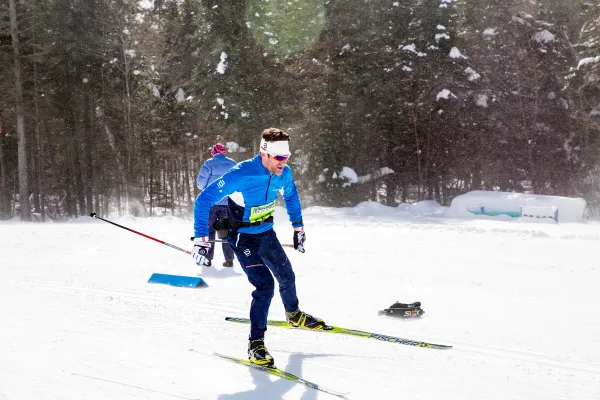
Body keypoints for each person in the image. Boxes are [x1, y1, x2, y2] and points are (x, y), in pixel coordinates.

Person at [191, 128, 326, 367]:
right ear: (264, 152)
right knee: (265, 285)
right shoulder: (242, 173)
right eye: (279, 157)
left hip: (266, 232)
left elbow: (292, 196)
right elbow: (203, 200)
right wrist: (201, 239)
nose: (284, 162)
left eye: (287, 156)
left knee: (287, 274)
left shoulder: (283, 172)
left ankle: (293, 315)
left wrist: (299, 228)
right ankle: (256, 345)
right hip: (242, 237)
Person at [196, 143, 237, 267]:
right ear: (224, 152)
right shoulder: (232, 163)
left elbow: (200, 183)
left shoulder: (209, 164)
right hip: (228, 204)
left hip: (212, 203)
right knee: (226, 232)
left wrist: (208, 190)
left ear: (213, 152)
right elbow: (237, 182)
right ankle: (229, 259)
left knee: (209, 231)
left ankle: (207, 258)